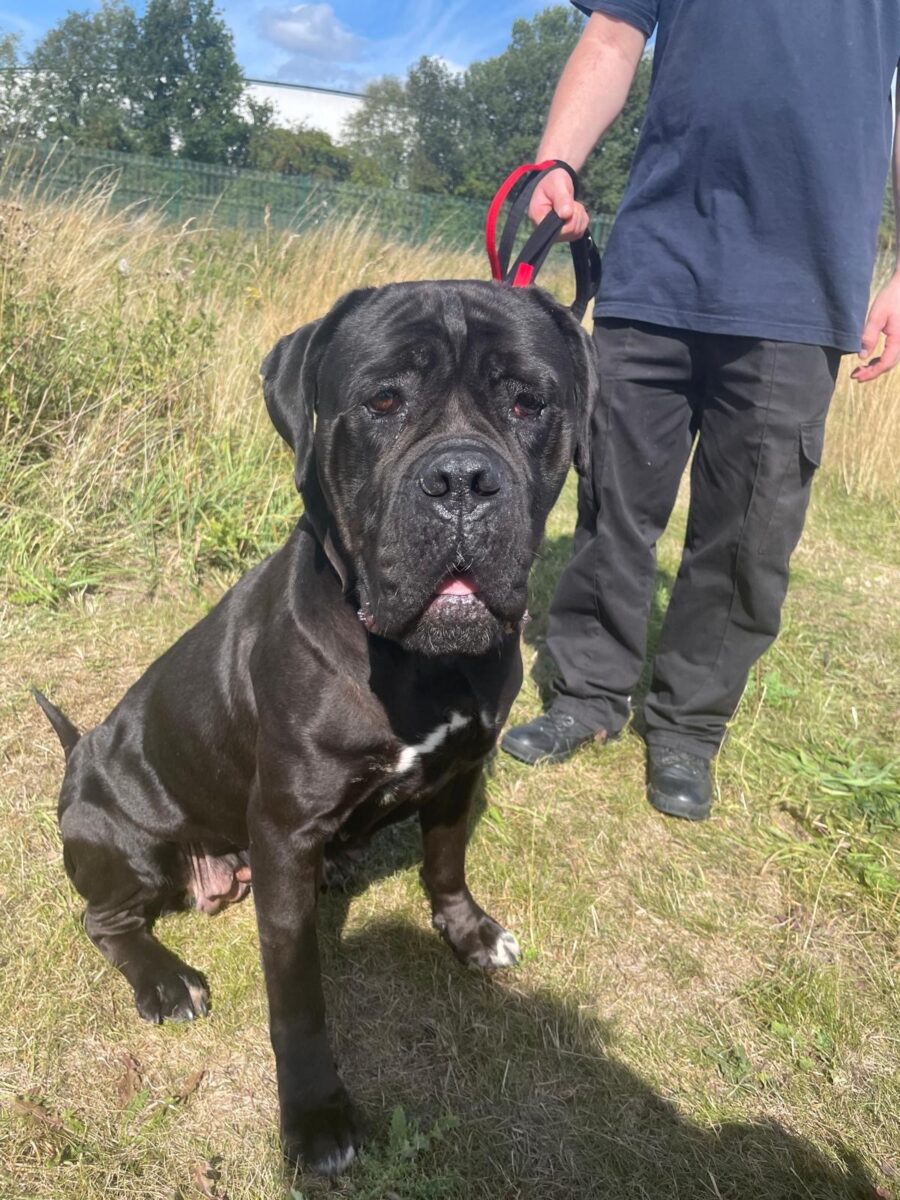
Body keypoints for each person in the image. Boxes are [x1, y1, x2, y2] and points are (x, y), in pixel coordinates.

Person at [500, 2, 900, 820]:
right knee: (613, 501)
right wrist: (556, 165)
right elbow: (611, 38)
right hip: (660, 261)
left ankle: (687, 725)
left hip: (805, 281)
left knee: (751, 531)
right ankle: (586, 692)